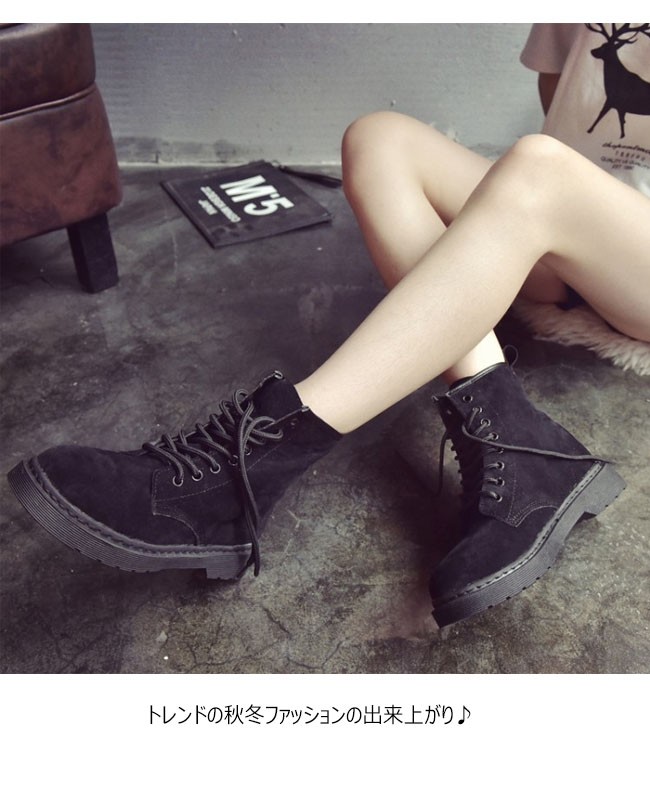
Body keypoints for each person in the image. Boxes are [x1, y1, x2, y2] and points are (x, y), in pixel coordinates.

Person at [8, 24, 650, 628]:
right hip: (590, 222)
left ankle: (246, 467)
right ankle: (518, 437)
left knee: (538, 165)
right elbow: (563, 98)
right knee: (380, 137)